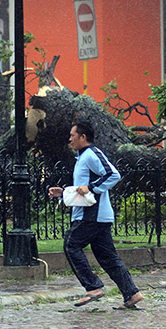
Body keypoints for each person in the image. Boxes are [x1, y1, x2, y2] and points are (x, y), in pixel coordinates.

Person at [48, 122, 143, 310]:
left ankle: (93, 287)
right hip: (98, 216)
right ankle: (131, 293)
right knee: (107, 256)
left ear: (83, 137)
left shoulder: (91, 154)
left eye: (72, 135)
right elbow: (83, 187)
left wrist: (91, 187)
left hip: (92, 215)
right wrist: (64, 192)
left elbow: (113, 175)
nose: (70, 138)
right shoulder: (83, 157)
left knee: (71, 244)